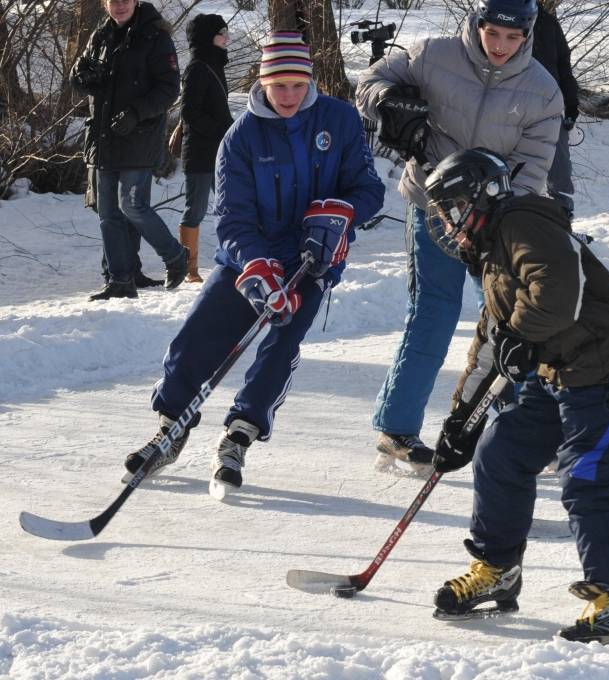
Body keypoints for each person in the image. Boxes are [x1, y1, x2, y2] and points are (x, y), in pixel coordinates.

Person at [122, 31, 384, 494]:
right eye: (279, 86)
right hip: (250, 256)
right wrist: (258, 266)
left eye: (298, 85)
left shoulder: (339, 120)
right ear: (263, 83)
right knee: (199, 335)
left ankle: (240, 434)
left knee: (281, 344)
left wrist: (342, 214)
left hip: (315, 258)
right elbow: (235, 220)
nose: (289, 96)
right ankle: (171, 428)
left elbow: (366, 188)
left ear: (310, 81)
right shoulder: (239, 139)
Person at [423, 148, 609, 643]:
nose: (448, 221)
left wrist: (521, 334)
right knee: (499, 452)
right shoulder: (490, 251)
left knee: (588, 482)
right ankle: (498, 569)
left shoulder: (525, 222)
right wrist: (460, 421)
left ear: (483, 196)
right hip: (563, 372)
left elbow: (557, 292)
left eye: (454, 206)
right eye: (442, 211)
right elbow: (492, 341)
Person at [355, 0, 562, 476]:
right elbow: (368, 84)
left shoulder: (542, 91)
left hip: (496, 219)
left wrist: (503, 217)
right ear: (478, 24)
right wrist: (388, 102)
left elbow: (532, 170)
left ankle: (530, 430)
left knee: (514, 320)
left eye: (514, 38)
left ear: (528, 34)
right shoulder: (432, 55)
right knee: (434, 311)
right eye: (494, 34)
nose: (502, 47)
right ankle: (397, 429)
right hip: (431, 204)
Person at [71, 0, 188, 301]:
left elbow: (169, 88)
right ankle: (120, 280)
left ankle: (175, 256)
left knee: (132, 206)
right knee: (108, 214)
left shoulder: (156, 37)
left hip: (138, 137)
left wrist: (137, 113)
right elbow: (78, 73)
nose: (119, 5)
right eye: (112, 0)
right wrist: (83, 79)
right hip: (103, 137)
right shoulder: (99, 35)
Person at [178, 13, 234, 283]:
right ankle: (188, 269)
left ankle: (235, 258)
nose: (227, 37)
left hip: (219, 153)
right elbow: (189, 112)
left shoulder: (214, 64)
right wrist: (220, 131)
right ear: (207, 37)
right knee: (196, 209)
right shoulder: (198, 67)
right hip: (200, 153)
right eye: (222, 32)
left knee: (231, 205)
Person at [532, 1, 579, 218]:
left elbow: (563, 65)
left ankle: (562, 219)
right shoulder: (501, 19)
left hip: (552, 107)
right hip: (512, 110)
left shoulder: (549, 23)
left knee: (559, 168)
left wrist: (571, 104)